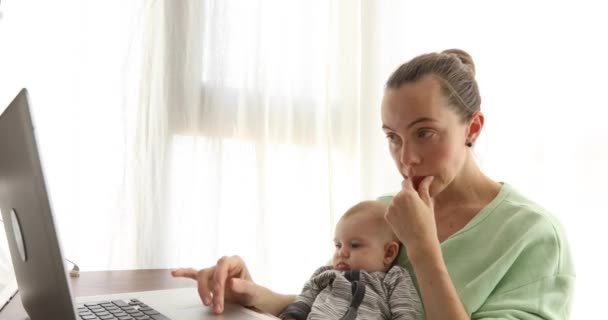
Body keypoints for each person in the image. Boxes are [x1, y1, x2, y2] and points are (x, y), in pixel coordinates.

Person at [172, 49, 575, 319]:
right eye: (392, 137)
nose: (406, 159)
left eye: (425, 133)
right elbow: (345, 304)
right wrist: (253, 294)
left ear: (473, 128)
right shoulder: (385, 211)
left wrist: (422, 247)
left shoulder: (535, 237)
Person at [280, 200, 422, 320]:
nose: (341, 253)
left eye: (354, 245)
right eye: (338, 245)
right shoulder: (327, 274)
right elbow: (305, 298)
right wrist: (292, 316)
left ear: (388, 253)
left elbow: (407, 312)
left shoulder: (394, 278)